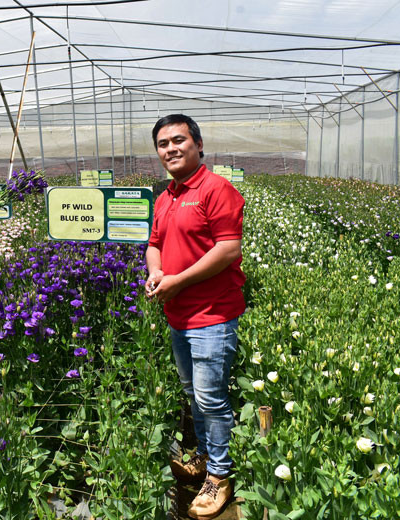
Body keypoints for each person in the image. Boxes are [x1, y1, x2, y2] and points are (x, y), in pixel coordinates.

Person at [144, 114, 245, 520]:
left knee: (210, 398)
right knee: (192, 394)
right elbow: (154, 245)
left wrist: (178, 281)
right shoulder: (166, 196)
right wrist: (156, 272)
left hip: (212, 315)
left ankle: (219, 477)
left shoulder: (216, 189)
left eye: (179, 140)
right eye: (163, 143)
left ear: (198, 145)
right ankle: (204, 455)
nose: (171, 148)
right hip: (178, 315)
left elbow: (228, 250)